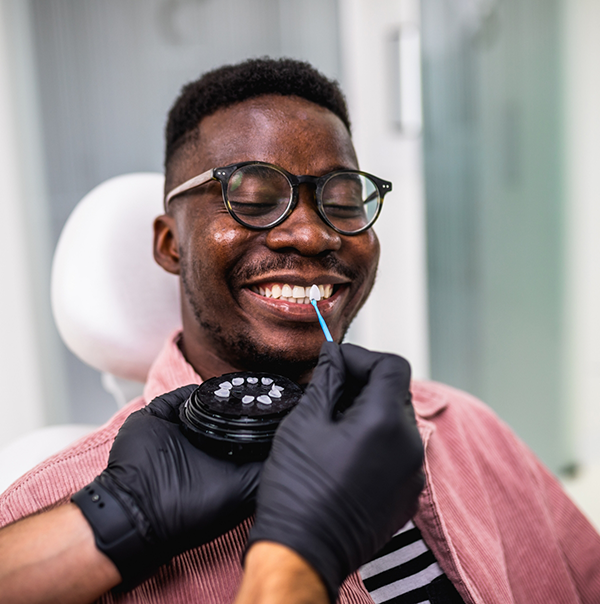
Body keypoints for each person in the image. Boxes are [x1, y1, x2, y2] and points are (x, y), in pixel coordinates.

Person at [1, 57, 599, 604]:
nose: (313, 236)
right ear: (170, 244)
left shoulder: (465, 429)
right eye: (253, 197)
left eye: (342, 200)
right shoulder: (49, 515)